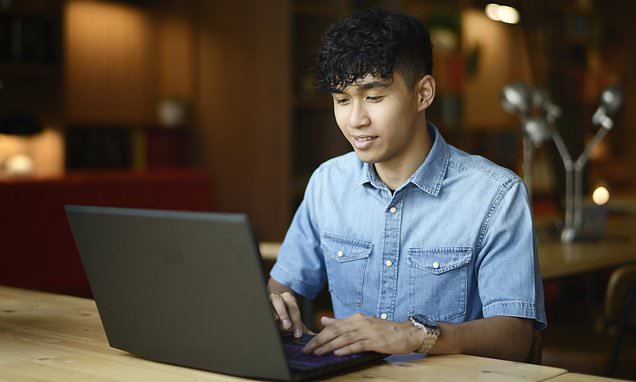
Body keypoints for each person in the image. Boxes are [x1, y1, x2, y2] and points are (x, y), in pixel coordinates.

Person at [268, 8, 546, 362]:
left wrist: (414, 335)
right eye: (342, 100)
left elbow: (516, 337)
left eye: (374, 97)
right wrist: (276, 305)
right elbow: (282, 287)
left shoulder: (495, 194)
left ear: (423, 93)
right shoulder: (328, 183)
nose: (356, 120)